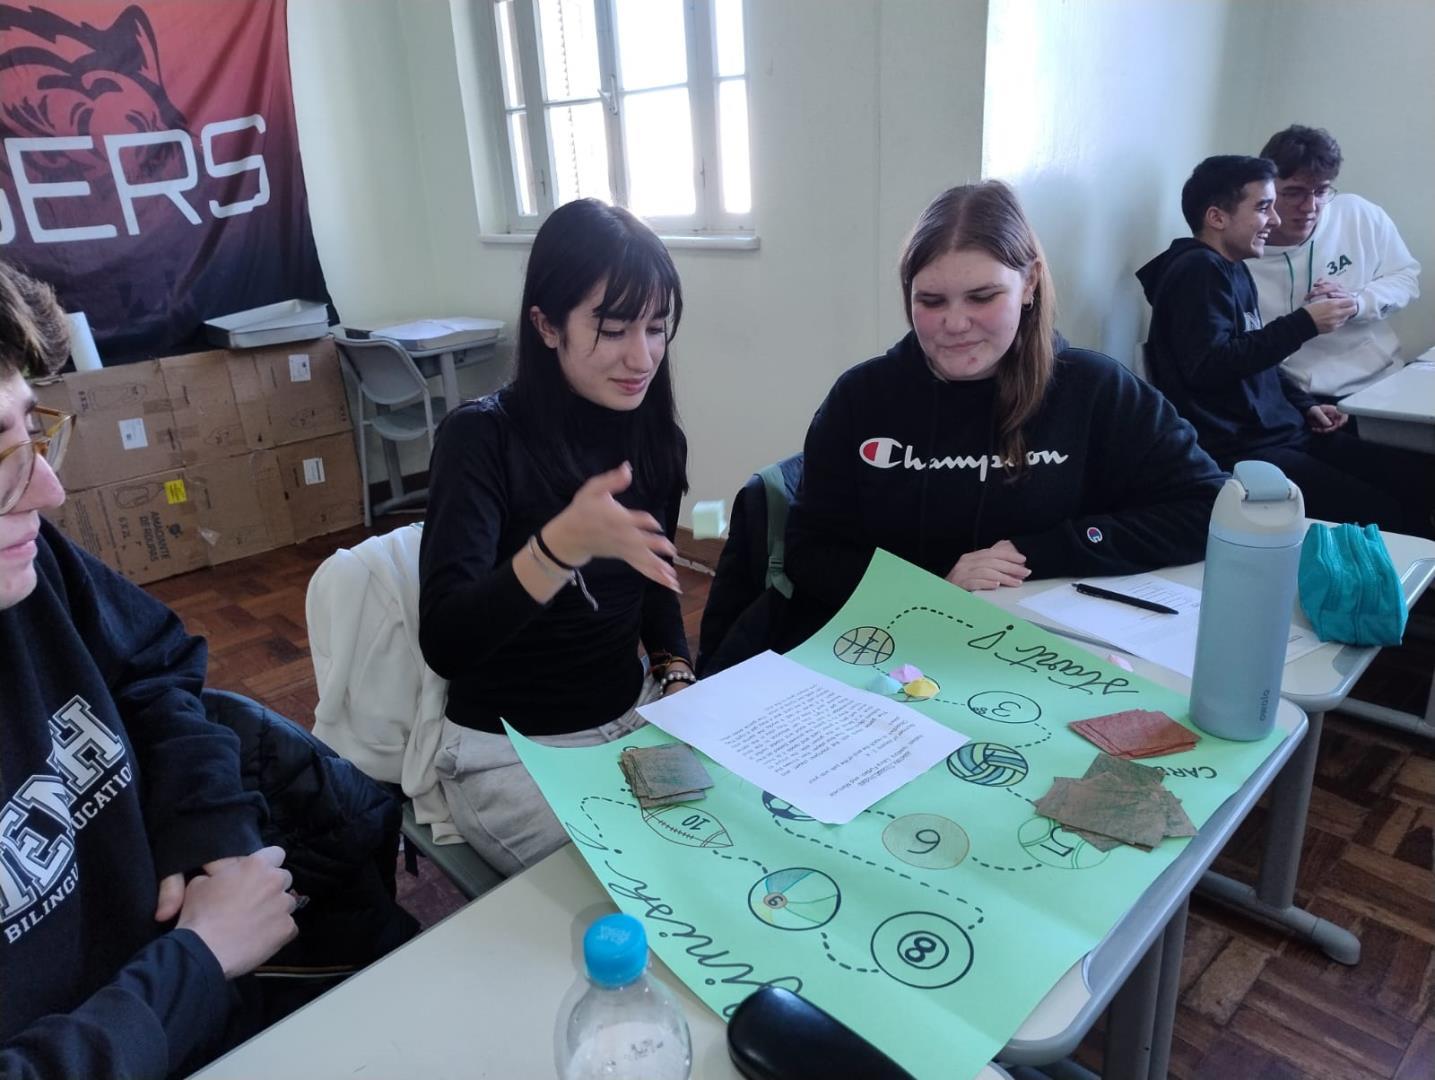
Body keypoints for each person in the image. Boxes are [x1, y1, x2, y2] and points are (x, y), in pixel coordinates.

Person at [0, 262, 300, 1077]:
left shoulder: (29, 568)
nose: (49, 491)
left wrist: (203, 825)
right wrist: (193, 963)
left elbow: (156, 663)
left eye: (28, 434)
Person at [781, 180, 1225, 641]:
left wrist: (1042, 553)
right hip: (897, 639)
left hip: (1045, 646)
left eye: (982, 296)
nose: (955, 323)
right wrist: (936, 585)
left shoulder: (1096, 389)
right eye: (930, 301)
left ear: (1029, 283)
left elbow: (1210, 506)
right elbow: (809, 552)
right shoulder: (862, 397)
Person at [419, 198, 694, 877]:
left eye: (656, 328)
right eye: (613, 329)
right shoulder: (480, 439)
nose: (641, 356)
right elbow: (447, 642)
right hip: (511, 750)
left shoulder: (653, 437)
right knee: (640, 886)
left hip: (631, 717)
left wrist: (674, 672)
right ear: (546, 325)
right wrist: (557, 547)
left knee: (720, 849)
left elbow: (654, 581)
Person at [1138, 155, 1432, 538]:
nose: (1275, 220)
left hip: (1285, 432)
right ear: (1217, 217)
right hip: (1242, 449)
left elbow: (1254, 359)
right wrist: (1305, 323)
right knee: (1383, 511)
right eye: (1263, 208)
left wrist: (1304, 404)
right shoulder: (1198, 272)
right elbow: (1209, 365)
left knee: (1419, 477)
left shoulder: (1232, 267)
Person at [1248, 125, 1420, 401]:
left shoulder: (1358, 214)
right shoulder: (1243, 254)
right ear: (1266, 188)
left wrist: (1357, 303)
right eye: (1294, 193)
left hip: (1384, 379)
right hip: (1301, 397)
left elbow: (1406, 279)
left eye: (1321, 191)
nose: (1310, 207)